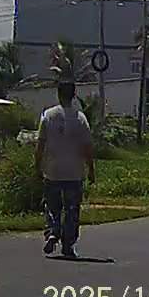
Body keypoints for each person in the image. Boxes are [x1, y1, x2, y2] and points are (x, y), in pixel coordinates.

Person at [35, 80, 95, 258]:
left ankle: (53, 231)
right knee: (72, 209)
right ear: (74, 95)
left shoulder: (48, 115)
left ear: (58, 94)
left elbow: (40, 143)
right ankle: (68, 244)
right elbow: (87, 147)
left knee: (52, 205)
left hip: (53, 169)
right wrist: (91, 169)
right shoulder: (81, 118)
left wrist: (37, 165)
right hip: (74, 171)